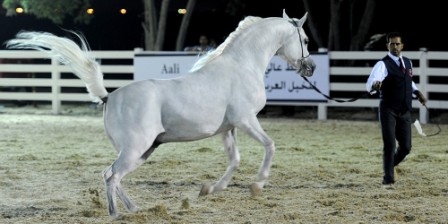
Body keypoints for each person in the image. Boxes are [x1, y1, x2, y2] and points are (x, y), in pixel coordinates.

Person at [366, 32, 427, 189]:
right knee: (389, 144)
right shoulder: (382, 64)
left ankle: (389, 166)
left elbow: (409, 81)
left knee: (406, 147)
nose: (395, 46)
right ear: (387, 46)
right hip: (388, 109)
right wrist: (374, 86)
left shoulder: (407, 62)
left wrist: (417, 92)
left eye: (397, 44)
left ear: (402, 46)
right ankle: (388, 179)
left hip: (405, 110)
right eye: (392, 44)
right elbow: (371, 81)